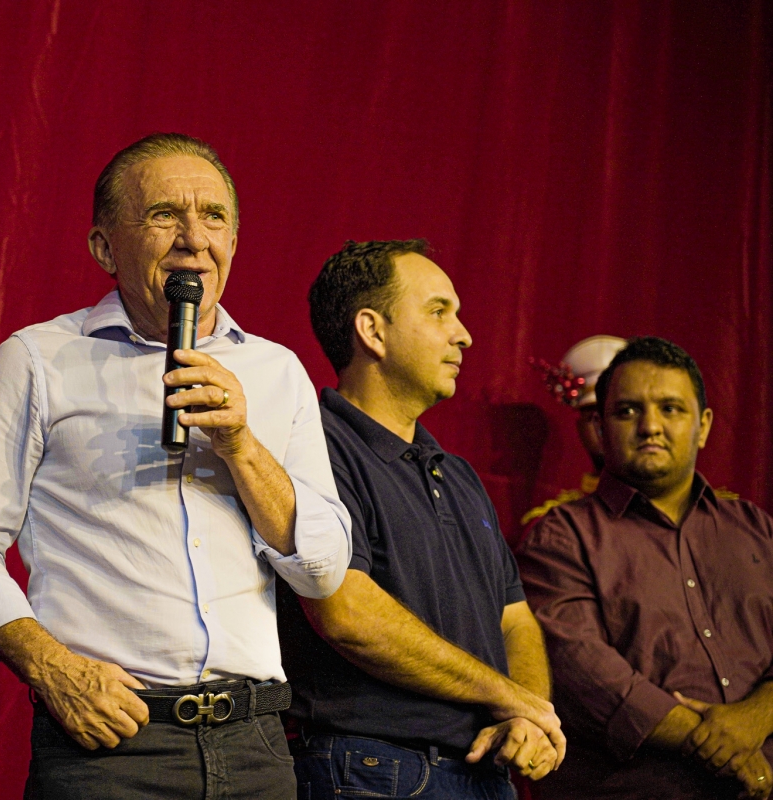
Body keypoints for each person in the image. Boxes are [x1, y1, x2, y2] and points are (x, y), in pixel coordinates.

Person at [0, 133, 351, 799]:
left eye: (213, 217)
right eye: (163, 215)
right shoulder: (39, 360)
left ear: (234, 241)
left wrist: (241, 445)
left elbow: (323, 567)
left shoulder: (277, 372)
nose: (193, 240)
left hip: (257, 747)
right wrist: (52, 668)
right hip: (112, 746)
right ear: (104, 248)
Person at [279, 239, 565, 799]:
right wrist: (507, 695)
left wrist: (528, 714)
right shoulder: (313, 448)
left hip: (484, 772)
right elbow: (347, 613)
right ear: (372, 331)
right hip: (373, 770)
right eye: (439, 312)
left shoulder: (458, 475)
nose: (464, 335)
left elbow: (514, 620)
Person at [517, 336, 773, 800]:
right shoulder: (560, 536)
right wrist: (722, 744)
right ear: (600, 427)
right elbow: (584, 673)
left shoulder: (757, 529)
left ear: (703, 426)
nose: (650, 426)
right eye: (628, 411)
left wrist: (757, 717)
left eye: (671, 409)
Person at [520, 335, 628, 529]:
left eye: (621, 413)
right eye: (592, 417)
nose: (603, 426)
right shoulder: (555, 524)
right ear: (579, 429)